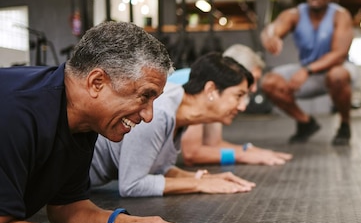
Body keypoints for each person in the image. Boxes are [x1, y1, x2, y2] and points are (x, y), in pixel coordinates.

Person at [0, 21, 202, 223]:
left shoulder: (82, 120)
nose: (149, 115)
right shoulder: (13, 112)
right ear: (97, 82)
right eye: (145, 96)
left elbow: (68, 209)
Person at [90, 52, 258, 197]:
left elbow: (161, 169)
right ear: (211, 90)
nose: (242, 106)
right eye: (238, 95)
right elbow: (132, 185)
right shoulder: (158, 111)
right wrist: (199, 185)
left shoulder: (179, 114)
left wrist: (201, 178)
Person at [260, 0, 355, 145]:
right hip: (308, 71)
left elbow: (339, 54)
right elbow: (273, 28)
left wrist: (307, 70)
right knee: (269, 82)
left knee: (338, 75)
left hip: (336, 69)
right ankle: (305, 122)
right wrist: (271, 36)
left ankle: (345, 124)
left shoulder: (340, 15)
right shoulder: (294, 14)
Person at [169, 44, 293, 166]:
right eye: (252, 80)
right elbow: (192, 154)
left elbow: (214, 144)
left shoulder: (216, 92)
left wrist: (249, 150)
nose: (254, 89)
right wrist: (242, 156)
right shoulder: (201, 89)